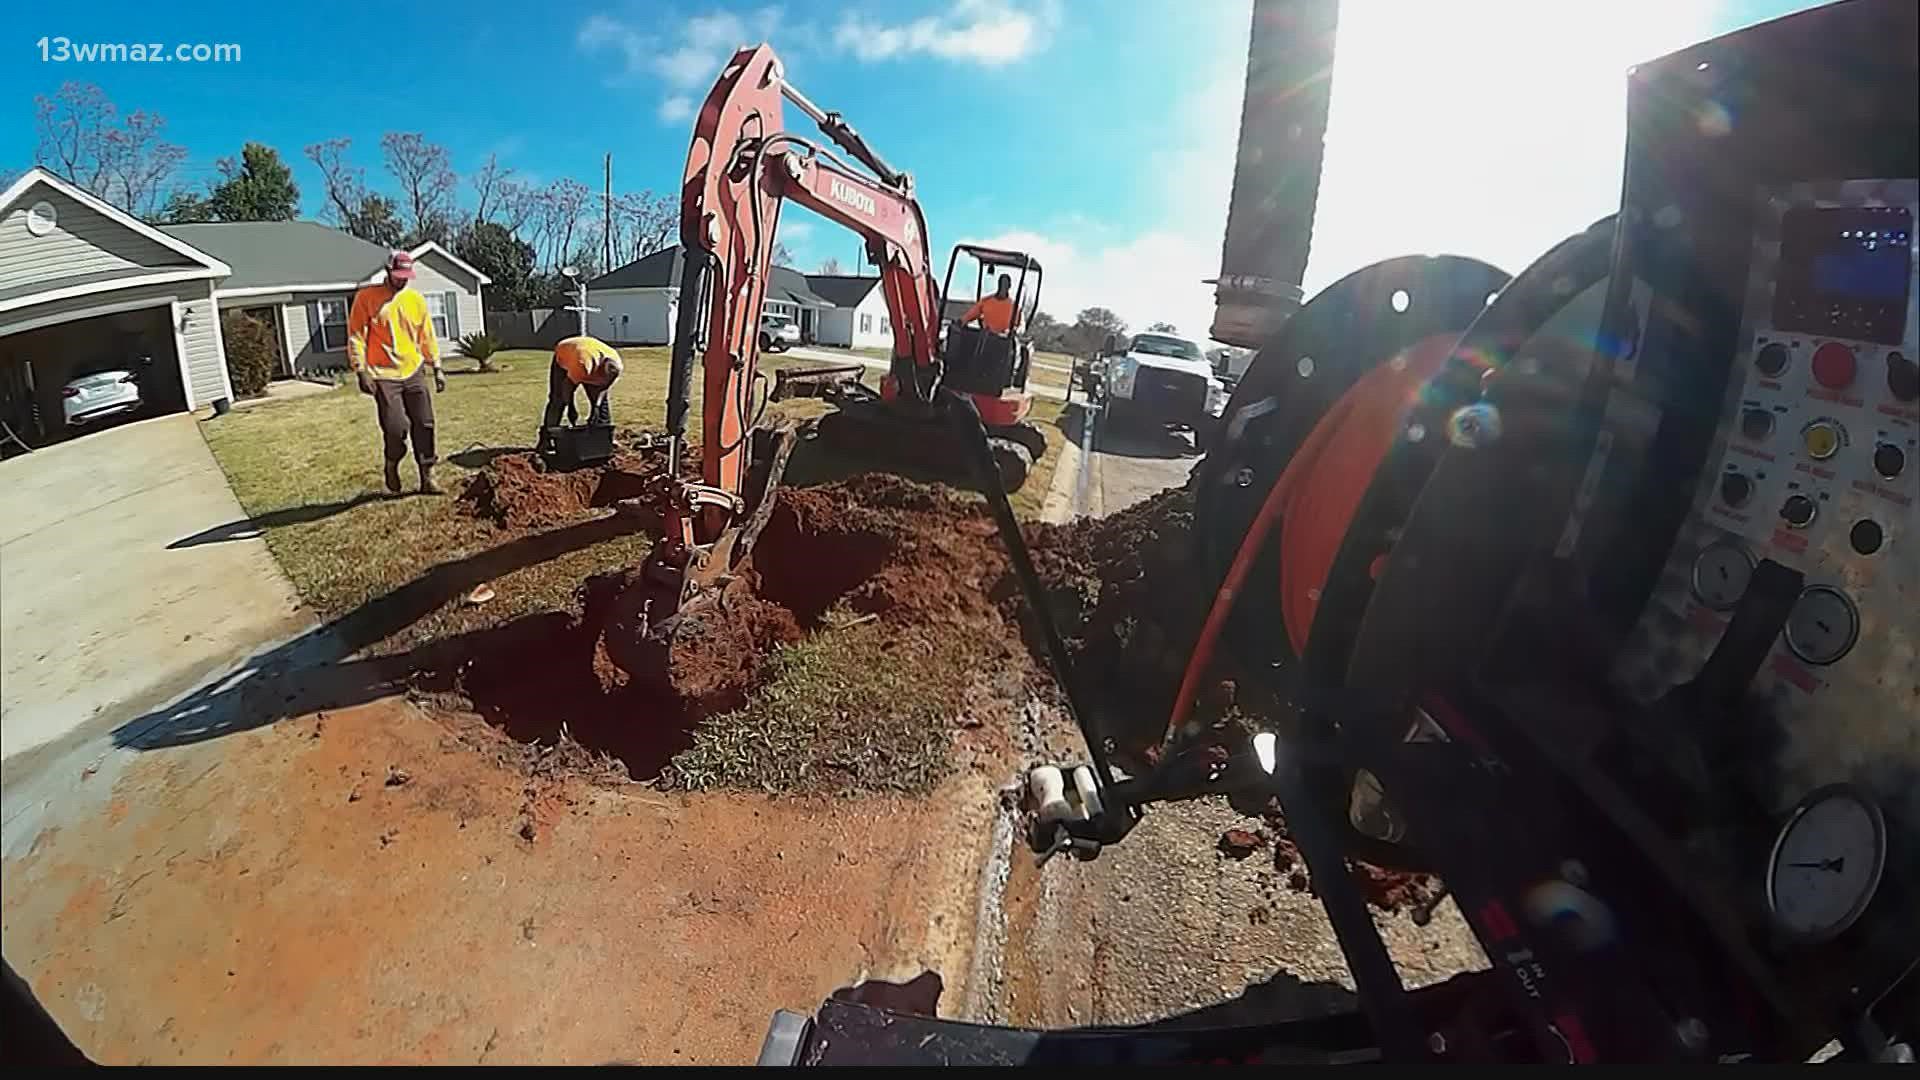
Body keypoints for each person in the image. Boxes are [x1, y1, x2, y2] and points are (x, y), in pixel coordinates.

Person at [348, 251, 445, 494]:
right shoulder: (366, 298)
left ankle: (427, 477)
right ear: (388, 270)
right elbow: (356, 336)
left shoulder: (415, 300)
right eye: (399, 275)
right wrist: (361, 371)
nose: (403, 280)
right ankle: (392, 463)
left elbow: (426, 335)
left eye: (406, 276)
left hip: (413, 370)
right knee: (396, 428)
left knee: (425, 423)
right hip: (383, 375)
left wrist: (437, 367)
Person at [542, 335, 625, 439]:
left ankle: (603, 439)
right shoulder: (583, 365)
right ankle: (548, 439)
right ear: (599, 370)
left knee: (602, 406)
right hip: (567, 352)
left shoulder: (616, 366)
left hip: (590, 350)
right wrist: (571, 407)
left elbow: (604, 387)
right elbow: (567, 387)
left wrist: (596, 406)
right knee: (558, 400)